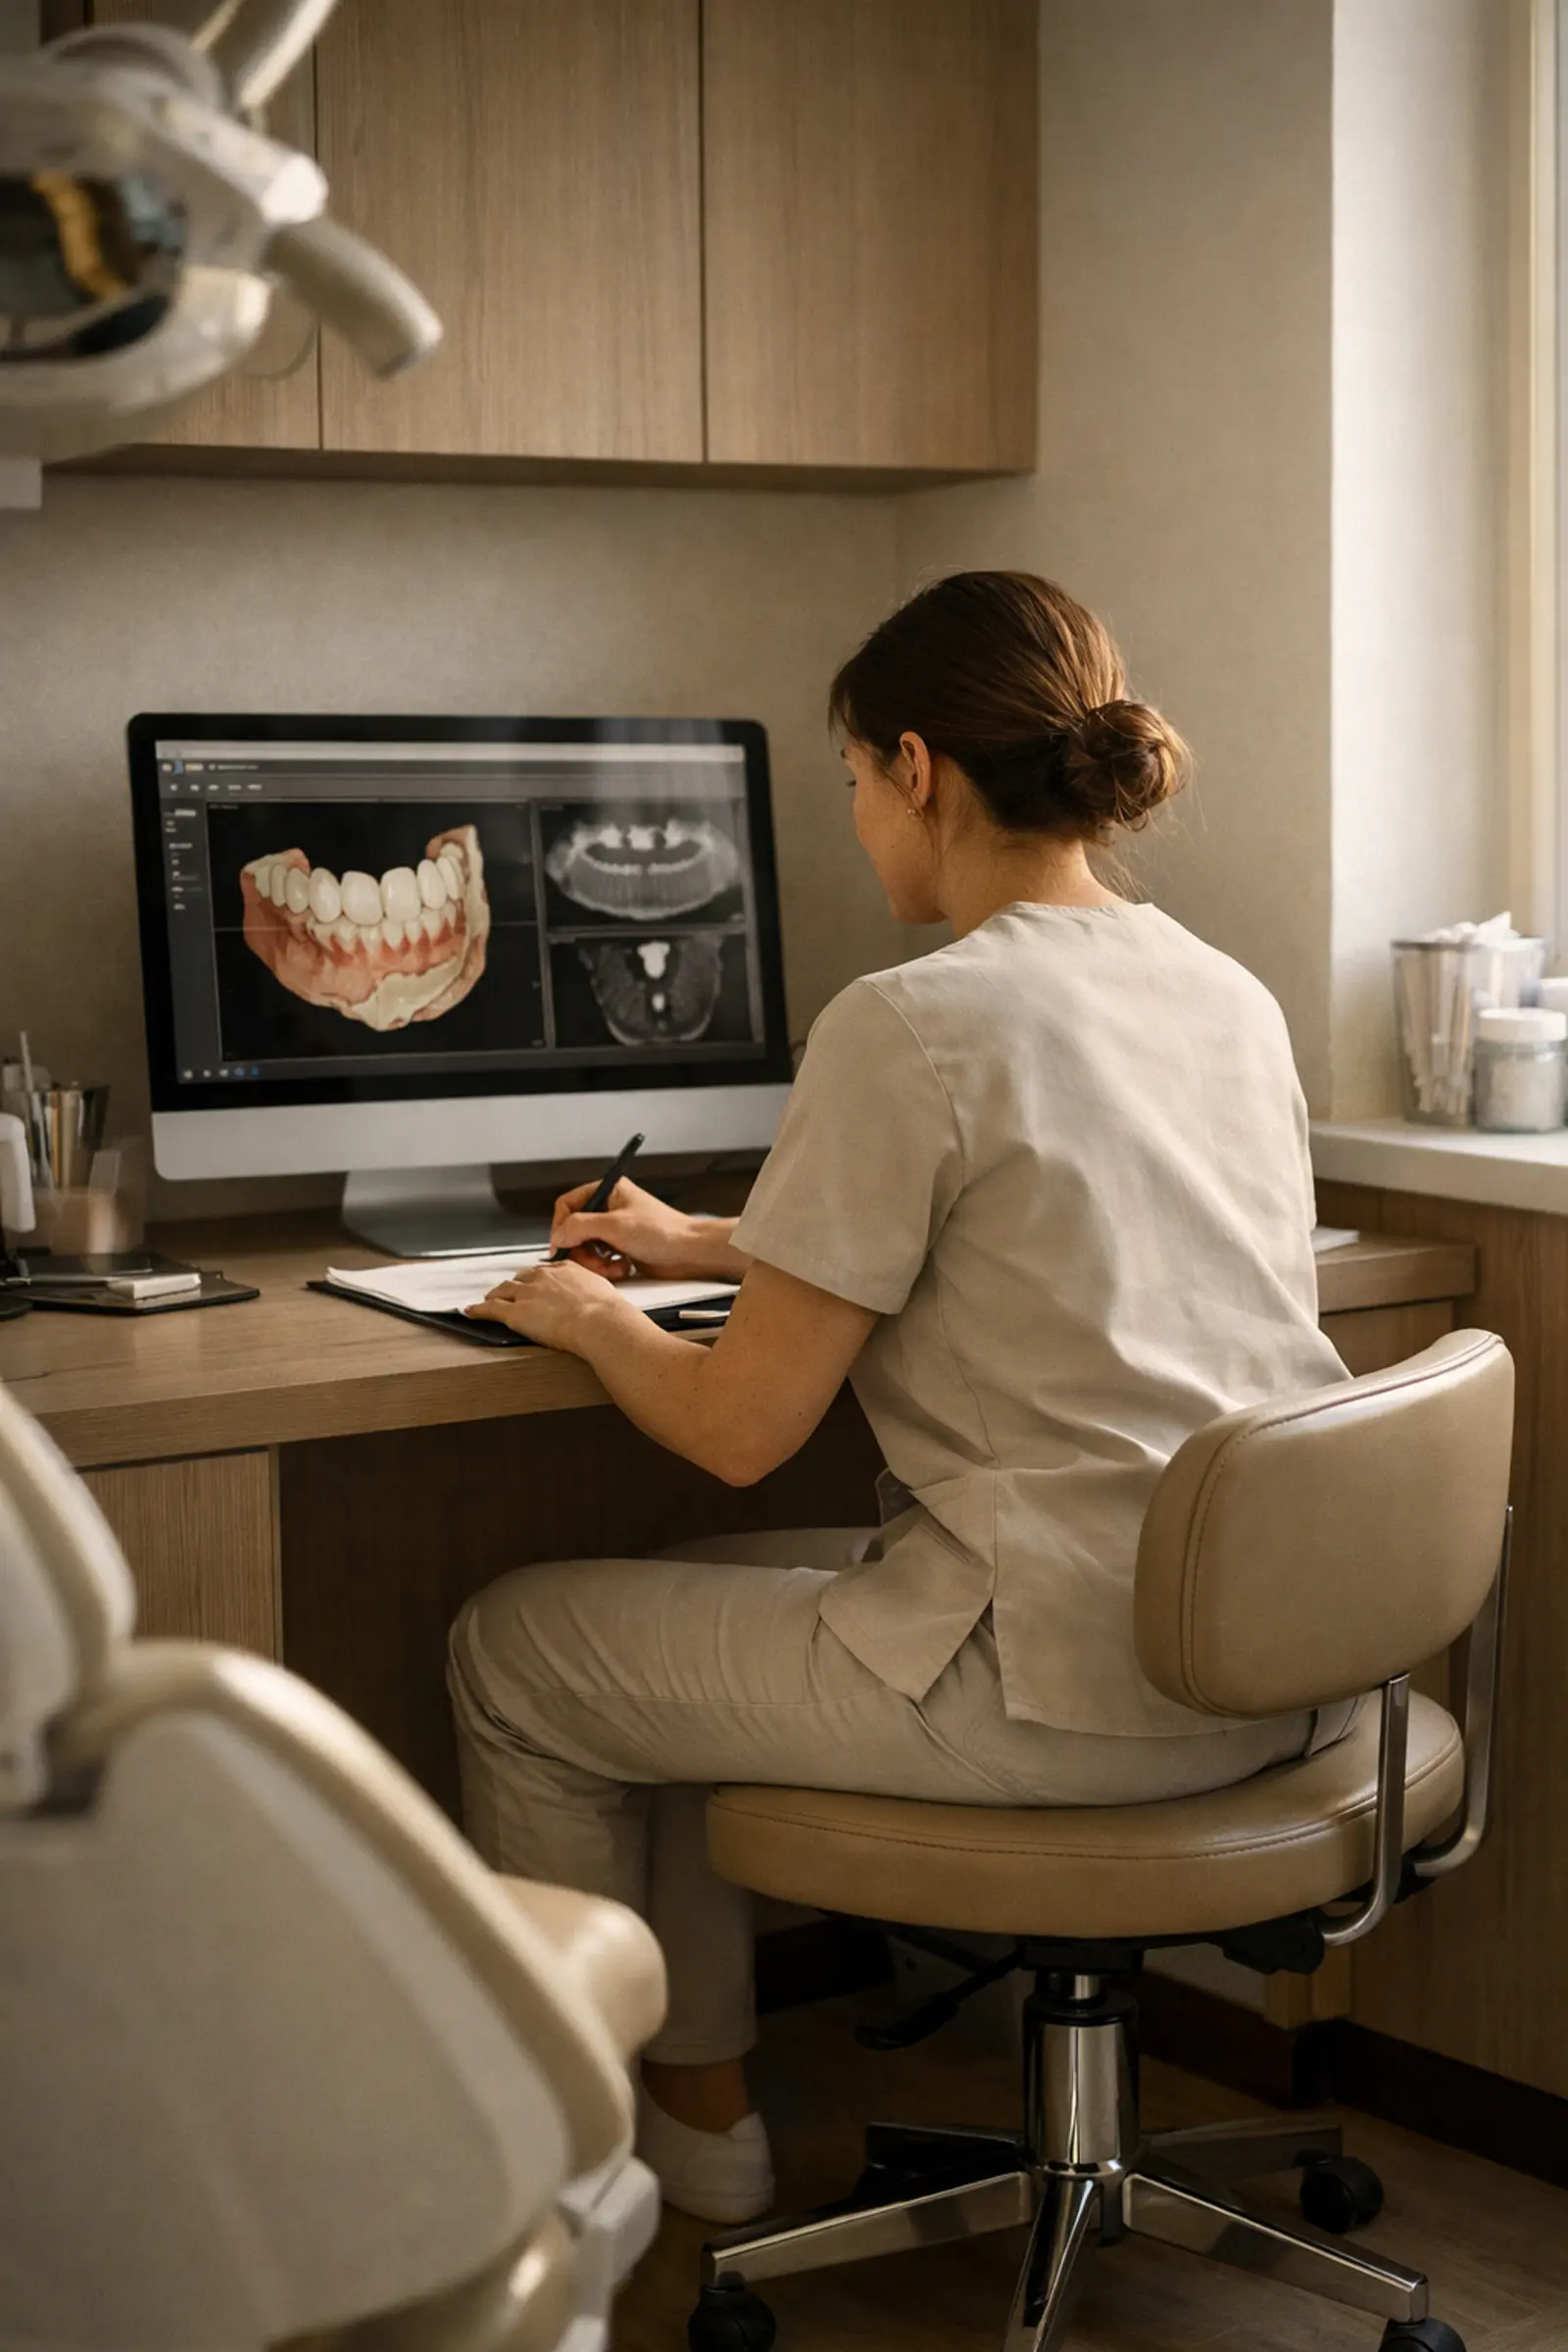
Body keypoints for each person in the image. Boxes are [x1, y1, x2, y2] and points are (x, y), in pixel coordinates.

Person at [448, 570, 1349, 2227]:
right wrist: (703, 1238)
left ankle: (582, 2165)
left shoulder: (913, 1016)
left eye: (855, 783)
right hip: (1267, 1655)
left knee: (519, 1650)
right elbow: (1036, 1217)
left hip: (1064, 1689)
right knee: (685, 1615)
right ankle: (700, 2108)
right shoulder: (1220, 989)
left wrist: (583, 1314)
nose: (858, 823)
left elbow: (734, 1432)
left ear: (918, 767)